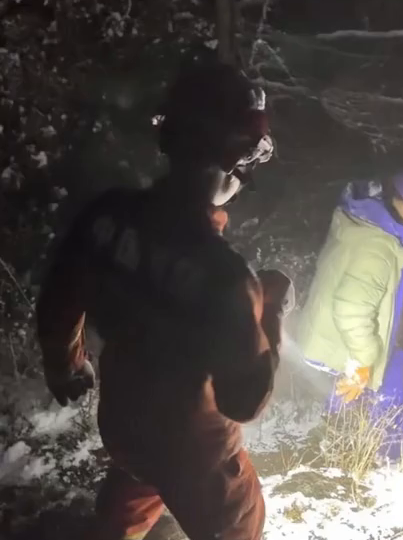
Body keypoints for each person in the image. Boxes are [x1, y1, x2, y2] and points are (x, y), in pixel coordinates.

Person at [35, 59, 293, 540]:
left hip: (125, 426)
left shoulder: (109, 216)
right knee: (238, 529)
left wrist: (65, 365)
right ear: (235, 158)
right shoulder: (225, 277)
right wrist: (270, 311)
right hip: (198, 452)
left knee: (132, 491)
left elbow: (59, 299)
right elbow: (244, 400)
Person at [295, 169, 403, 461]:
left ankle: (335, 435)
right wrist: (363, 360)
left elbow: (399, 258)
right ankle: (393, 456)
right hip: (345, 336)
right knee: (388, 375)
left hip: (327, 331)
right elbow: (351, 310)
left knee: (351, 384)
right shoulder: (377, 248)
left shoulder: (371, 219)